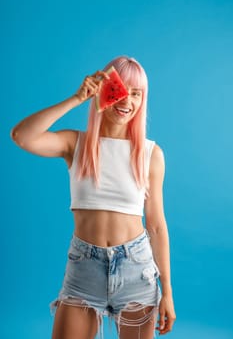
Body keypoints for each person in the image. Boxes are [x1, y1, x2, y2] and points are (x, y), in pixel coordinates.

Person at [11, 56, 176, 339]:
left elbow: (157, 225)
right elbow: (22, 136)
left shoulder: (151, 154)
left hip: (137, 269)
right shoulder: (75, 143)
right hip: (84, 268)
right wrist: (77, 98)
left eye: (136, 94)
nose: (127, 101)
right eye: (120, 90)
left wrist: (168, 293)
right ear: (102, 90)